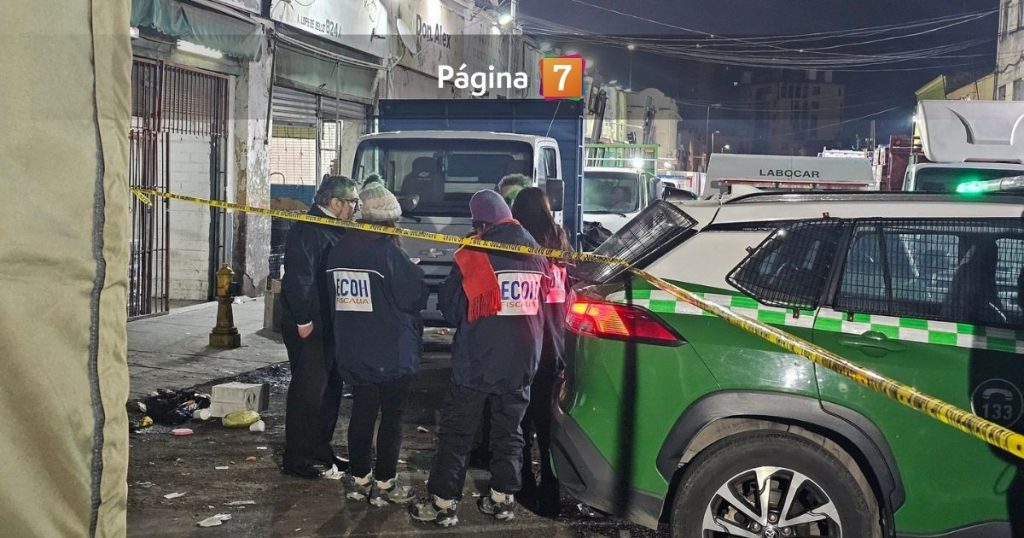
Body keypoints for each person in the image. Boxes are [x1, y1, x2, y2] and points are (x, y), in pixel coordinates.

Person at [410, 190, 549, 527]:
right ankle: (502, 499)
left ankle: (443, 503)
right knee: (510, 431)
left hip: (478, 362)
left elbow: (452, 309)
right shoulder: (536, 252)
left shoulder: (475, 254)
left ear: (481, 223)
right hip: (522, 360)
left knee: (458, 433)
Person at [328, 181, 428, 506]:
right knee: (392, 417)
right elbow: (414, 297)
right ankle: (385, 483)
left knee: (362, 412)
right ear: (390, 220)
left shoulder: (338, 250)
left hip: (354, 348)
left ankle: (359, 479)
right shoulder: (388, 253)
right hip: (390, 350)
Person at [280, 175, 359, 478]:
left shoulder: (335, 228)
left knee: (331, 388)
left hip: (332, 321)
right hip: (311, 323)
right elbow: (298, 279)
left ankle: (320, 449)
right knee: (309, 391)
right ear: (335, 202)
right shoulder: (308, 230)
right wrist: (303, 320)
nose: (355, 208)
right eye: (352, 202)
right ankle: (298, 456)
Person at [510, 187, 571, 517]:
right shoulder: (559, 239)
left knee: (519, 420)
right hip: (554, 343)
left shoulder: (516, 243)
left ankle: (523, 484)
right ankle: (551, 490)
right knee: (548, 425)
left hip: (524, 340)